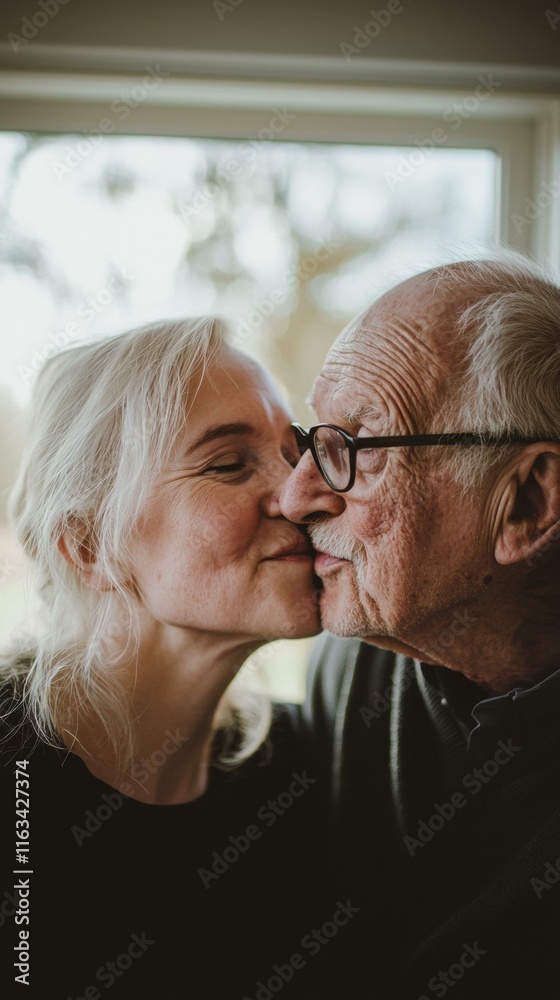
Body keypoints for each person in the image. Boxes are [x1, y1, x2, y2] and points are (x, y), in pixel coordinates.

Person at [0, 317, 327, 999]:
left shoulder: (309, 769)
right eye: (230, 464)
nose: (302, 490)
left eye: (296, 452)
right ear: (91, 547)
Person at [279, 252, 560, 1000]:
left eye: (356, 451)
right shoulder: (352, 666)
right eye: (313, 444)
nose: (295, 495)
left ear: (528, 503)